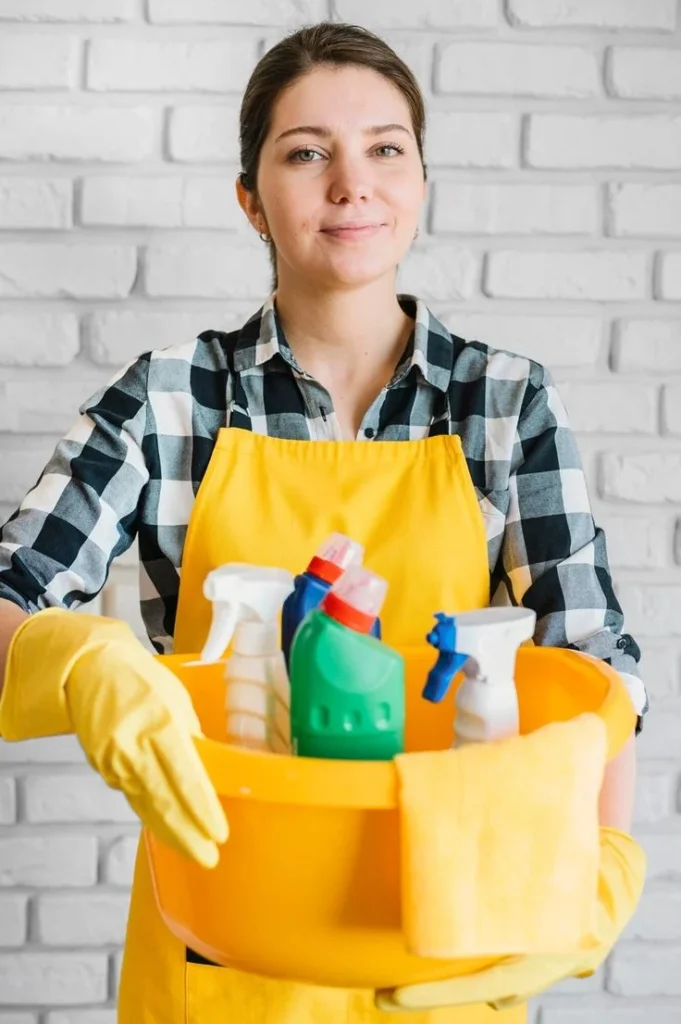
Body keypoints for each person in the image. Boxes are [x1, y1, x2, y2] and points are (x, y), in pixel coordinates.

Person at [0, 20, 647, 1024]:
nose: (353, 183)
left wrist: (599, 867)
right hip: (222, 954)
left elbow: (593, 668)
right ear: (251, 200)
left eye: (386, 148)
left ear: (422, 182)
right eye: (308, 153)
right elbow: (9, 597)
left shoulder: (504, 404)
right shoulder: (171, 400)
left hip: (450, 946)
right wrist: (82, 662)